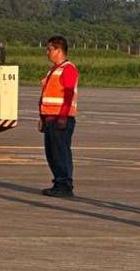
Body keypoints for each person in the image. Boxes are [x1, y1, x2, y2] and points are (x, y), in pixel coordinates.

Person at [37, 35, 79, 198]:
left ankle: (64, 185)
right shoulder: (54, 69)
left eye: (49, 49)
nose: (47, 52)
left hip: (60, 119)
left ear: (59, 50)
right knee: (52, 153)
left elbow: (68, 95)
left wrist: (62, 116)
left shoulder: (68, 69)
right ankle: (59, 182)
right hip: (50, 118)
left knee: (60, 152)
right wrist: (42, 118)